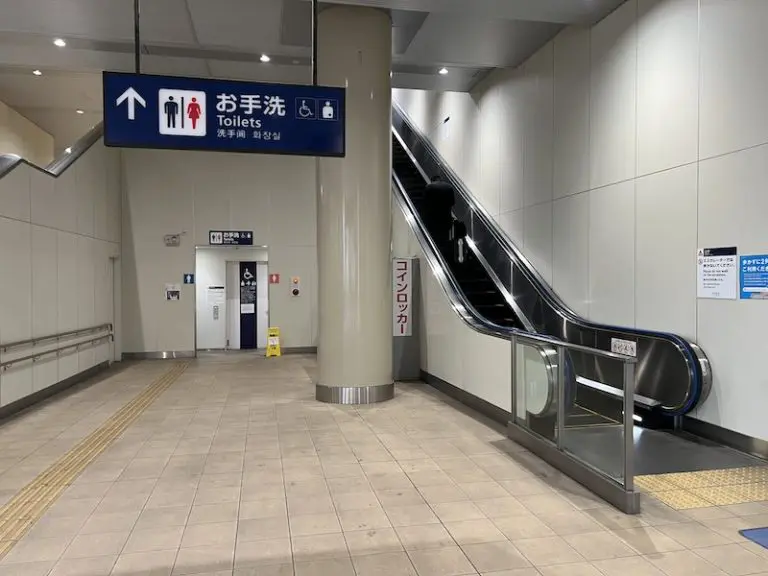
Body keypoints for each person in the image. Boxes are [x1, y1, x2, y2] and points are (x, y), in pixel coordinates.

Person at [421, 175, 455, 256]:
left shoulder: (429, 187)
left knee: (435, 237)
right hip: (446, 218)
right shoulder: (449, 187)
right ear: (440, 180)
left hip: (433, 218)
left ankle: (435, 253)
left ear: (432, 180)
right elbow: (453, 202)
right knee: (445, 237)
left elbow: (425, 203)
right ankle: (445, 254)